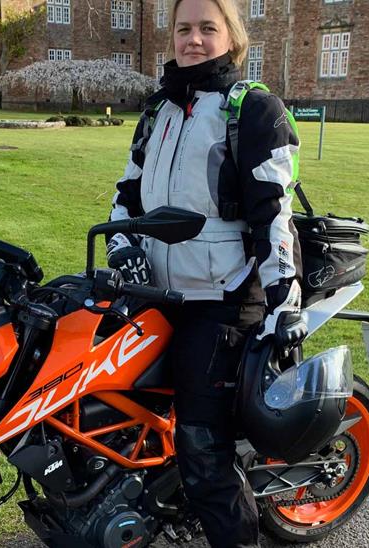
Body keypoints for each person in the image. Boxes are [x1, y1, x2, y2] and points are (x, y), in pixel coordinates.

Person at [106, 0, 303, 545]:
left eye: (207, 28)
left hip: (223, 297)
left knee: (201, 447)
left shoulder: (254, 109)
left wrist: (286, 305)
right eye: (184, 29)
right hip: (157, 290)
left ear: (232, 38)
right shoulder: (158, 111)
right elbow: (127, 193)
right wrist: (122, 242)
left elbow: (273, 214)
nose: (193, 39)